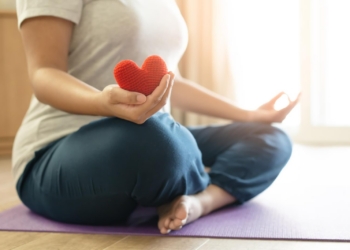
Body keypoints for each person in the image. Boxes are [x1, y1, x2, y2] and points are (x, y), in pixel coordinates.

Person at [13, 0, 300, 234]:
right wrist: (103, 103)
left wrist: (249, 115)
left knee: (269, 138)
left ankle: (199, 201)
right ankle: (182, 175)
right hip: (59, 151)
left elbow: (172, 84)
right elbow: (44, 73)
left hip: (154, 134)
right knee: (157, 143)